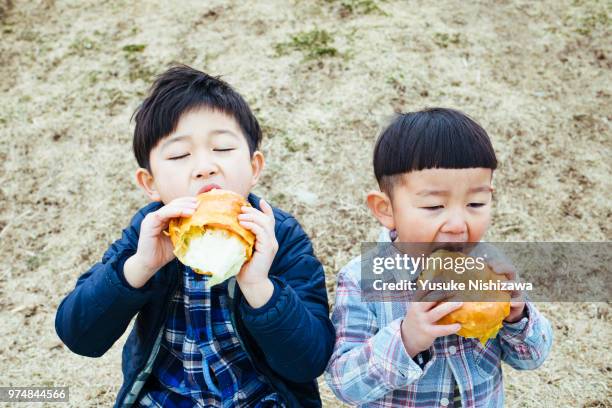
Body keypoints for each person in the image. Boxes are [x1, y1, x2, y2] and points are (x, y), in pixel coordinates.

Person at [55, 65, 334, 407]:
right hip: (166, 398)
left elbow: (310, 360)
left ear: (254, 168)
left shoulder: (279, 235)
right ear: (150, 183)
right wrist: (139, 267)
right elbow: (79, 336)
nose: (204, 166)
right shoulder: (149, 233)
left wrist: (261, 288)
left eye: (223, 149)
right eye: (179, 155)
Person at [325, 107, 553, 407]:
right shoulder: (361, 279)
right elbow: (343, 383)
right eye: (434, 207)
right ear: (386, 209)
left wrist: (516, 315)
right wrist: (406, 339)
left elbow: (532, 358)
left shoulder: (492, 268)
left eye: (475, 202)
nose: (458, 225)